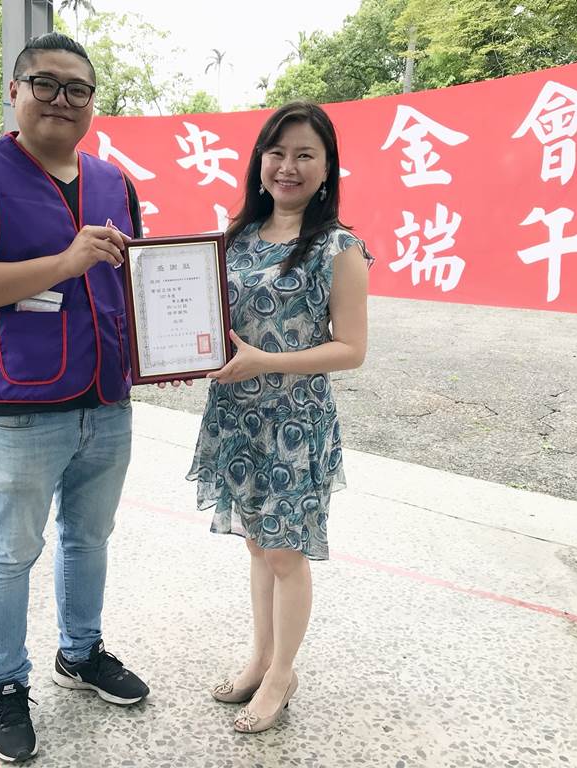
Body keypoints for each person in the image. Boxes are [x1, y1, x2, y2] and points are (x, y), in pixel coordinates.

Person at [0, 33, 149, 763]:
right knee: (10, 550)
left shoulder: (114, 182)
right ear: (15, 92)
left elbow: (136, 283)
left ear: (92, 103)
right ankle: (5, 681)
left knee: (90, 538)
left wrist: (175, 349)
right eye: (45, 84)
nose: (61, 99)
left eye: (77, 89)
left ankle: (80, 653)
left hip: (107, 399)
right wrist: (64, 261)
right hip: (22, 405)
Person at [187, 102, 371, 733]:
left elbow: (352, 349)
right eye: (277, 153)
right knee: (258, 545)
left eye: (304, 155)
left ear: (327, 168)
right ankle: (261, 658)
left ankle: (281, 674)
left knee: (286, 554)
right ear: (260, 162)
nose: (288, 166)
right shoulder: (234, 238)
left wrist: (267, 361)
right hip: (237, 416)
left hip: (293, 421)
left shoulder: (338, 247)